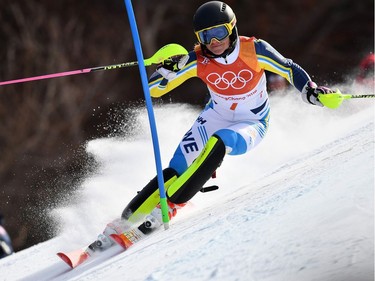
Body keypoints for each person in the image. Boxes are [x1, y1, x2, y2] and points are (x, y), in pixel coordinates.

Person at [95, 1, 334, 249]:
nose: (213, 41)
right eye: (205, 36)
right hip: (216, 115)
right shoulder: (198, 58)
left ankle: (174, 204)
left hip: (252, 121)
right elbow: (153, 90)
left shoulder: (254, 49)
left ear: (231, 29)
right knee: (176, 168)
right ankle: (124, 221)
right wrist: (167, 69)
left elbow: (288, 67)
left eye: (219, 32)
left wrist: (312, 91)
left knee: (219, 142)